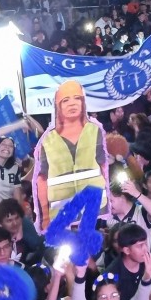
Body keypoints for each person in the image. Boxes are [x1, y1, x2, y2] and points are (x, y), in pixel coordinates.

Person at [35, 80, 108, 230]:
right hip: (63, 215)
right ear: (58, 106)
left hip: (95, 209)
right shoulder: (47, 140)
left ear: (83, 102)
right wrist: (45, 216)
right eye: (65, 100)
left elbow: (104, 167)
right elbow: (42, 178)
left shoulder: (95, 131)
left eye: (77, 98)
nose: (72, 104)